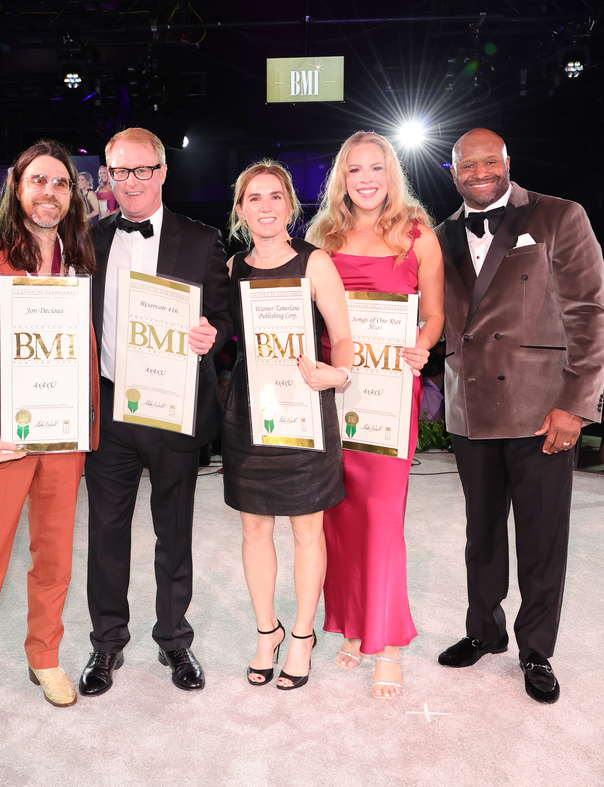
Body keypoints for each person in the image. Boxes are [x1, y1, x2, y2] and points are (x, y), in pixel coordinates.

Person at [434, 129, 604, 704]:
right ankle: (483, 631)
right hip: (470, 410)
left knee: (541, 536)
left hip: (542, 410)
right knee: (480, 534)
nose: (480, 172)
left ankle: (536, 648)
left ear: (509, 162)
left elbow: (590, 311)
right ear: (452, 170)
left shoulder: (560, 216)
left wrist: (576, 405)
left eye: (491, 161)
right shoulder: (438, 237)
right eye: (468, 164)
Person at [0, 141, 99, 747]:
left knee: (55, 558)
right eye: (39, 181)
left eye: (61, 183)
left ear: (71, 195)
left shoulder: (79, 264)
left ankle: (44, 655)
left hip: (64, 438)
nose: (49, 192)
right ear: (16, 188)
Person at [79, 127, 231, 696]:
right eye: (121, 171)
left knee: (175, 530)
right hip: (110, 405)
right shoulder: (87, 239)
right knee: (105, 531)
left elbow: (223, 320)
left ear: (163, 173)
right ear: (108, 178)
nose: (132, 182)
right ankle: (106, 645)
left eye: (143, 170)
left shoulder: (202, 239)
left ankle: (174, 640)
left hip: (172, 404)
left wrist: (208, 336)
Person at [304, 132, 445, 699]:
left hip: (389, 393)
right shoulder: (323, 236)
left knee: (383, 515)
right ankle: (350, 625)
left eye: (376, 169)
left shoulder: (418, 237)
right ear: (342, 177)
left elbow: (433, 315)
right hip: (333, 392)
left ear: (392, 175)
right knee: (339, 515)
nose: (366, 179)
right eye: (355, 169)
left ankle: (385, 643)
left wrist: (423, 344)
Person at [220, 161, 352, 691]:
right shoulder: (232, 269)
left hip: (304, 409)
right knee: (254, 528)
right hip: (250, 411)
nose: (266, 206)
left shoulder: (314, 263)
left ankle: (302, 634)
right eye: (255, 198)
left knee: (306, 529)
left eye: (276, 196)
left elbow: (342, 335)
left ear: (291, 204)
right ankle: (266, 630)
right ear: (241, 209)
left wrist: (338, 373)